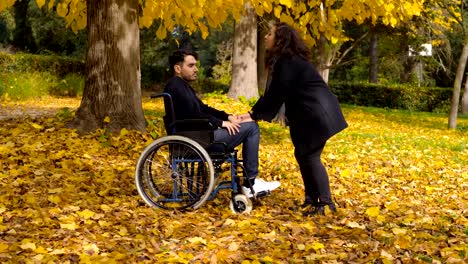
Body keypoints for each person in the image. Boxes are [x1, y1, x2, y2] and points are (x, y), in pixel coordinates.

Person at [239, 22, 348, 215]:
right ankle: (311, 199)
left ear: (280, 39)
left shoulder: (288, 62)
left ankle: (325, 203)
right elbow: (274, 94)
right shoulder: (286, 60)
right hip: (306, 115)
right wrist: (254, 113)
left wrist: (254, 115)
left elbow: (276, 93)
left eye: (270, 34)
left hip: (316, 115)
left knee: (311, 156)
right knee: (303, 155)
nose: (266, 37)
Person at [164, 49, 280, 197]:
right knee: (251, 127)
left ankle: (250, 180)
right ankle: (251, 181)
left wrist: (227, 116)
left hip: (199, 135)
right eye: (191, 65)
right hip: (197, 139)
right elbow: (193, 114)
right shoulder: (175, 86)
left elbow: (203, 109)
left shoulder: (181, 85)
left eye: (195, 65)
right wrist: (221, 123)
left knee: (249, 126)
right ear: (178, 68)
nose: (196, 69)